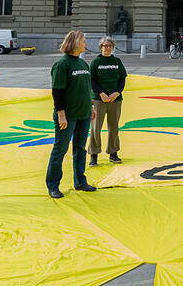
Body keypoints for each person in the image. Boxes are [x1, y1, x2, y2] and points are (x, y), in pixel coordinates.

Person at [47, 30, 97, 198]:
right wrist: (61, 113)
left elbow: (86, 89)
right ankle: (53, 185)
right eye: (83, 41)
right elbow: (57, 91)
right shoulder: (62, 64)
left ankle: (80, 181)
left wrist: (91, 106)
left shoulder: (83, 64)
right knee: (60, 149)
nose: (86, 44)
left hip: (83, 114)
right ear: (74, 43)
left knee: (80, 148)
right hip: (67, 116)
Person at [89, 36, 126, 167]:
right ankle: (94, 154)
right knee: (95, 127)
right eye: (105, 46)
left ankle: (113, 152)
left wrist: (117, 92)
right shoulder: (96, 62)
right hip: (99, 100)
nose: (108, 48)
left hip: (115, 100)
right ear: (101, 47)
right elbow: (92, 80)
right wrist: (101, 93)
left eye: (110, 46)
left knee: (114, 127)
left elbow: (122, 79)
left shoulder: (117, 61)